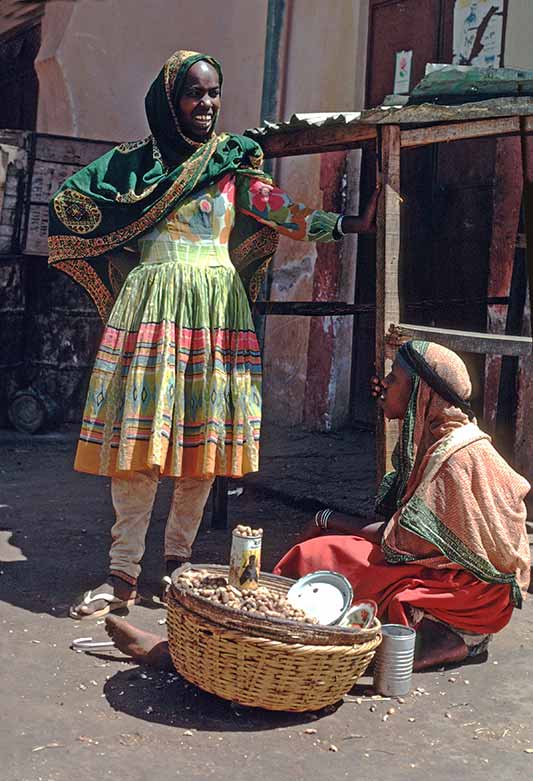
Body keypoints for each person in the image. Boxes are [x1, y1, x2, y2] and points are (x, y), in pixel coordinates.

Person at [48, 50, 379, 620]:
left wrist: (346, 225)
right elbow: (70, 202)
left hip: (216, 313)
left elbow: (279, 209)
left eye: (214, 94)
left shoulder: (232, 162)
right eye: (194, 94)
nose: (206, 105)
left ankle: (176, 566)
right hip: (152, 307)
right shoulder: (133, 166)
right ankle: (121, 575)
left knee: (200, 449)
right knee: (139, 444)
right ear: (169, 99)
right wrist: (126, 244)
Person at [102, 340, 530, 672]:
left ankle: (215, 652)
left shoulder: (457, 455)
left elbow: (405, 540)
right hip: (441, 570)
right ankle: (212, 642)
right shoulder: (436, 438)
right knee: (326, 553)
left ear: (422, 393)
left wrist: (329, 522)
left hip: (464, 593)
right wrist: (334, 525)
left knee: (319, 557)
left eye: (394, 379)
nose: (381, 386)